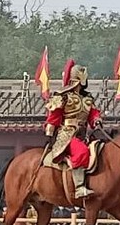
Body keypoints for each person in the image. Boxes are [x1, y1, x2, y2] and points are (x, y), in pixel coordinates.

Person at [44, 61, 103, 198]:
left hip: (84, 135)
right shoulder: (64, 96)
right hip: (67, 135)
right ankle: (79, 187)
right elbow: (54, 117)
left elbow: (93, 114)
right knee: (81, 152)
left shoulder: (88, 98)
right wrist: (49, 135)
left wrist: (96, 120)